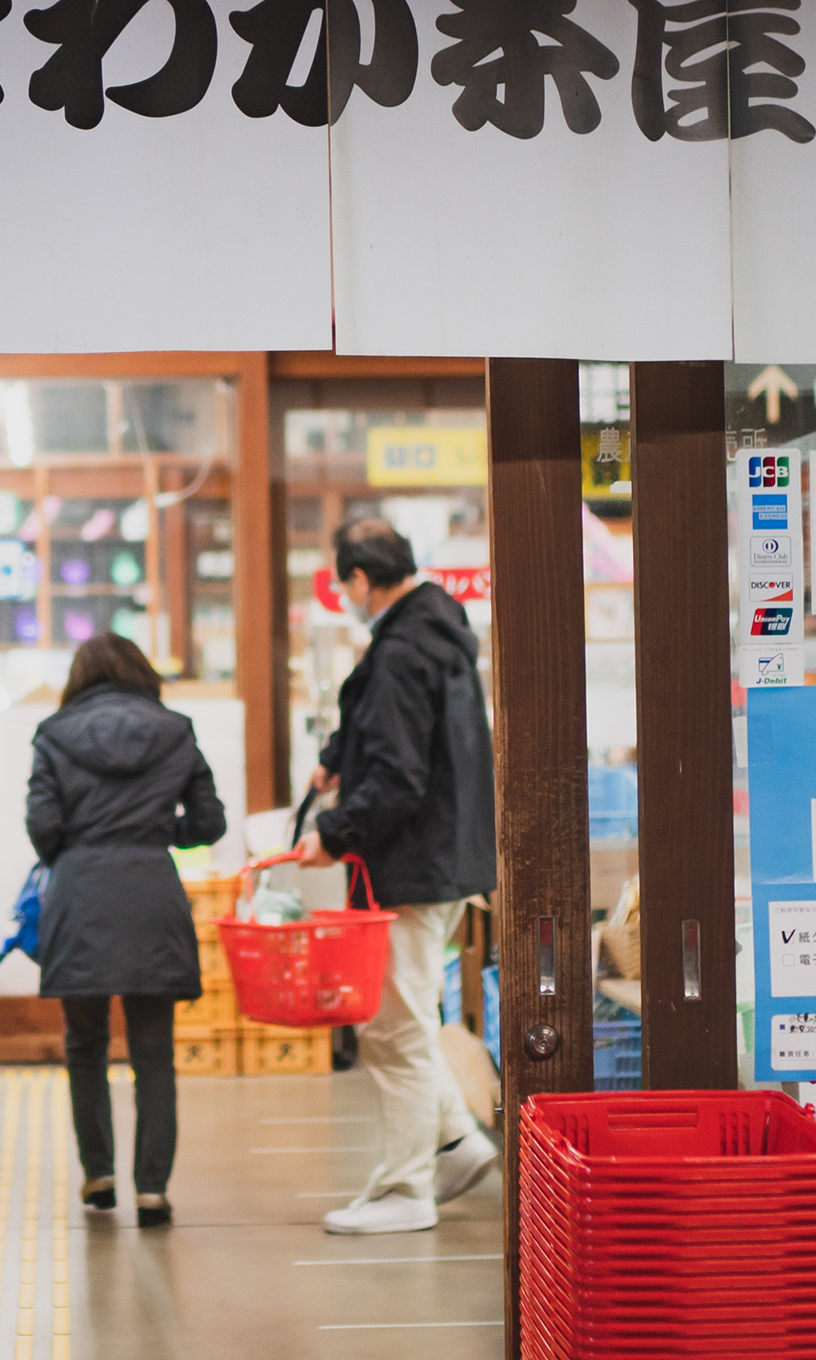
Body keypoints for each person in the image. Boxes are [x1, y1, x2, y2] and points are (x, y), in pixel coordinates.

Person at [301, 518, 500, 1236]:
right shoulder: (436, 629)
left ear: (360, 579)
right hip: (449, 859)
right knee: (409, 1015)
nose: (346, 596)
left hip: (412, 864)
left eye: (344, 584)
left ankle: (403, 1191)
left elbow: (397, 777)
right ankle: (453, 1145)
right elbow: (398, 736)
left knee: (395, 1031)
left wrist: (333, 833)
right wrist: (335, 755)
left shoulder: (398, 649)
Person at [23, 633, 228, 1228]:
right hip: (150, 891)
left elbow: (42, 825)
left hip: (80, 892)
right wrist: (160, 830)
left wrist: (80, 845)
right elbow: (209, 822)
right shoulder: (176, 730)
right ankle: (153, 1189)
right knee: (153, 1051)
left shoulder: (54, 734)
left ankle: (99, 1174)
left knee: (84, 1044)